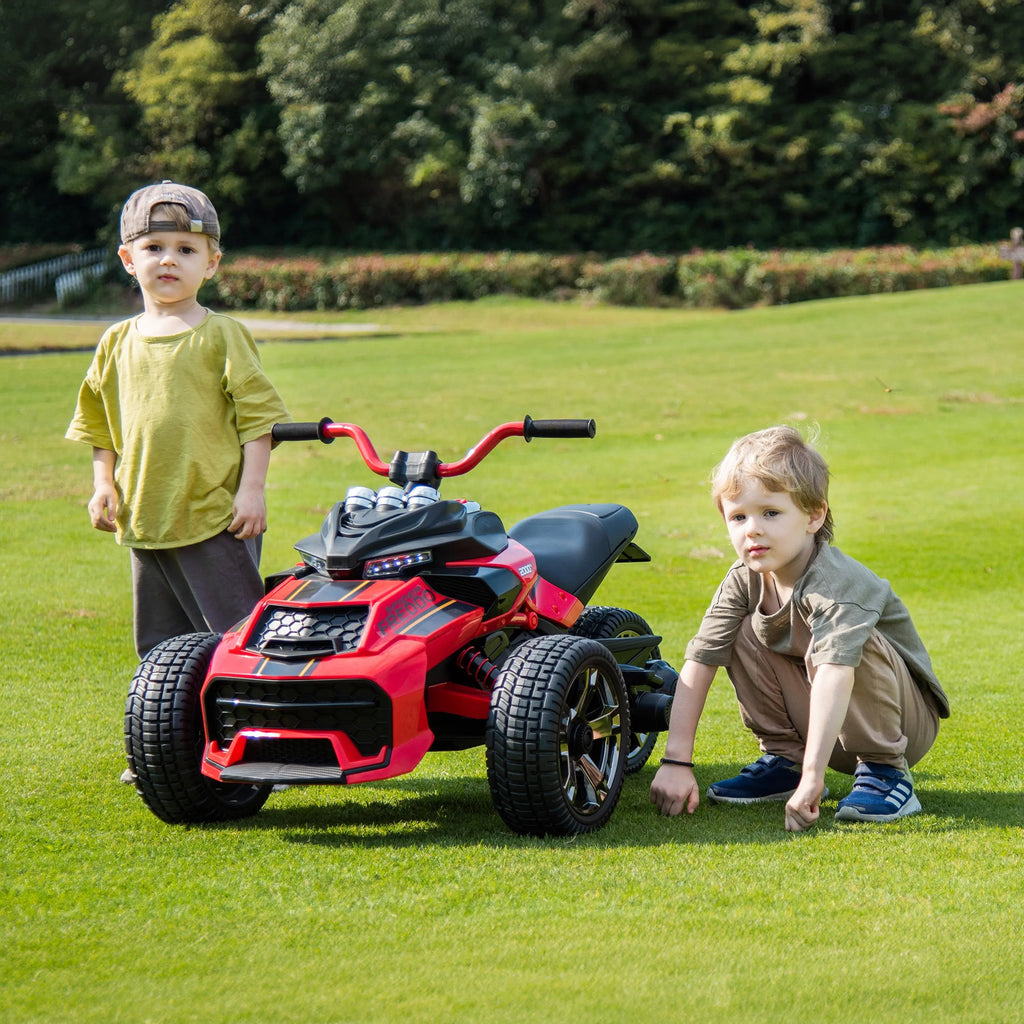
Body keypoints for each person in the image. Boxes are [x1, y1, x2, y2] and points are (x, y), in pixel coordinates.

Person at [649, 426, 949, 830]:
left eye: (770, 513)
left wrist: (814, 779)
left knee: (851, 640)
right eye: (738, 517)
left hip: (902, 727)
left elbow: (835, 673)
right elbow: (700, 660)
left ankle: (885, 772)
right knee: (738, 630)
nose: (752, 529)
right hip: (824, 727)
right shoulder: (744, 578)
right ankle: (785, 760)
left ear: (814, 515)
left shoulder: (837, 584)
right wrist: (676, 761)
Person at [66, 180, 291, 662]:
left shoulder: (222, 335)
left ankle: (250, 710)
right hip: (145, 515)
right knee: (161, 652)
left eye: (186, 249)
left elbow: (259, 421)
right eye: (154, 247)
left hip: (214, 516)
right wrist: (103, 484)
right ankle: (169, 713)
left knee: (236, 641)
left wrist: (252, 491)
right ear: (128, 259)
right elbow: (100, 424)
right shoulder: (116, 341)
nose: (168, 260)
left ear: (211, 263)